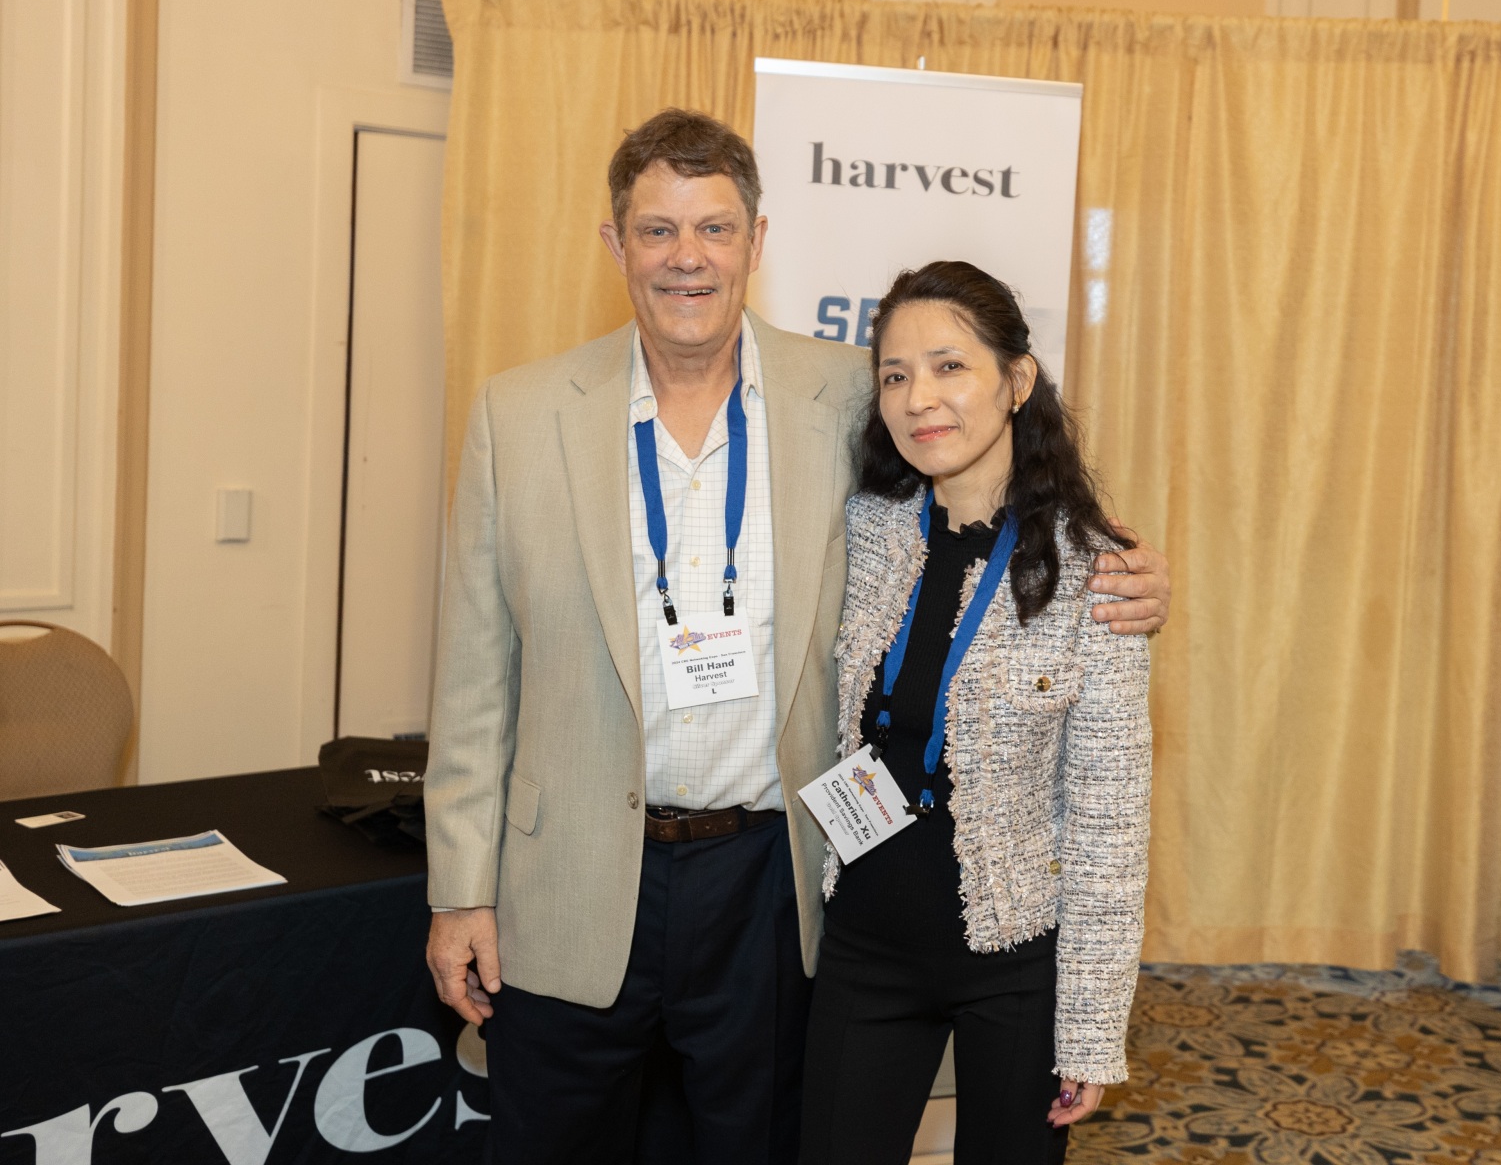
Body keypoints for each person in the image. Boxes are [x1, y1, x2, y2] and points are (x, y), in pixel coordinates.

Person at [422, 109, 1169, 1164]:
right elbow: (473, 679)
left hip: (771, 883)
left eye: (715, 228)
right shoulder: (518, 415)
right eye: (658, 230)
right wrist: (460, 890)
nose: (688, 257)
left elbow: (989, 479)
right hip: (570, 882)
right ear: (615, 243)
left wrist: (1124, 573)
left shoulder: (853, 397)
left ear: (757, 242)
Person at [799, 261, 1153, 1165]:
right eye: (895, 375)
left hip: (1016, 959)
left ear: (1017, 380)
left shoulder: (1094, 576)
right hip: (866, 942)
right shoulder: (859, 530)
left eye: (950, 366)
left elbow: (1110, 824)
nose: (920, 397)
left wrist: (1091, 1032)